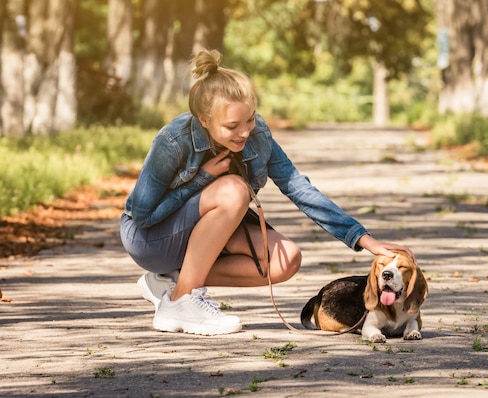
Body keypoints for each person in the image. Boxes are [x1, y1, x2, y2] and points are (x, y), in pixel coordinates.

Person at [119, 48, 413, 336]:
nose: (245, 132)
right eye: (232, 126)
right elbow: (143, 215)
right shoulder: (173, 141)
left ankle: (169, 282)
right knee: (235, 190)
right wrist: (202, 179)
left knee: (286, 259)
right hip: (151, 239)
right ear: (203, 120)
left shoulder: (257, 135)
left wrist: (364, 239)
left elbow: (298, 187)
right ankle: (181, 301)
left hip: (203, 233)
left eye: (250, 119)